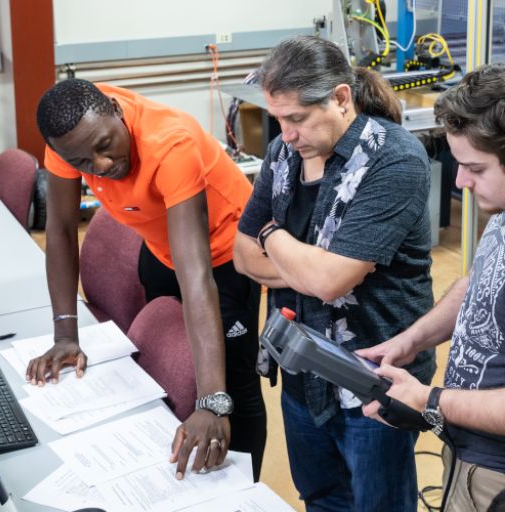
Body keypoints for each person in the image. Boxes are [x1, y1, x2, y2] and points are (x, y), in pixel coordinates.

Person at [233, 35, 436, 512]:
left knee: (377, 505)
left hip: (373, 380)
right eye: (278, 118)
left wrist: (269, 234)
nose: (285, 134)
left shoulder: (394, 160)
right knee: (320, 498)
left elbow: (325, 281)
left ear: (341, 98)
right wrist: (311, 270)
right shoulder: (286, 154)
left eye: (297, 119)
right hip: (303, 371)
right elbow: (243, 256)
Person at [30, 79, 266, 480]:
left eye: (105, 145)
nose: (101, 165)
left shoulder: (170, 142)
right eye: (84, 163)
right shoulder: (68, 137)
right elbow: (61, 230)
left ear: (117, 114)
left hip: (224, 254)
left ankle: (243, 493)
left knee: (230, 392)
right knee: (167, 370)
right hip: (160, 248)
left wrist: (212, 402)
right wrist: (65, 334)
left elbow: (197, 275)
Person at [360, 64, 505, 512]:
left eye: (474, 168)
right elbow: (482, 281)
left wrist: (428, 398)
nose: (461, 182)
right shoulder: (500, 208)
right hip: (466, 451)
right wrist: (411, 340)